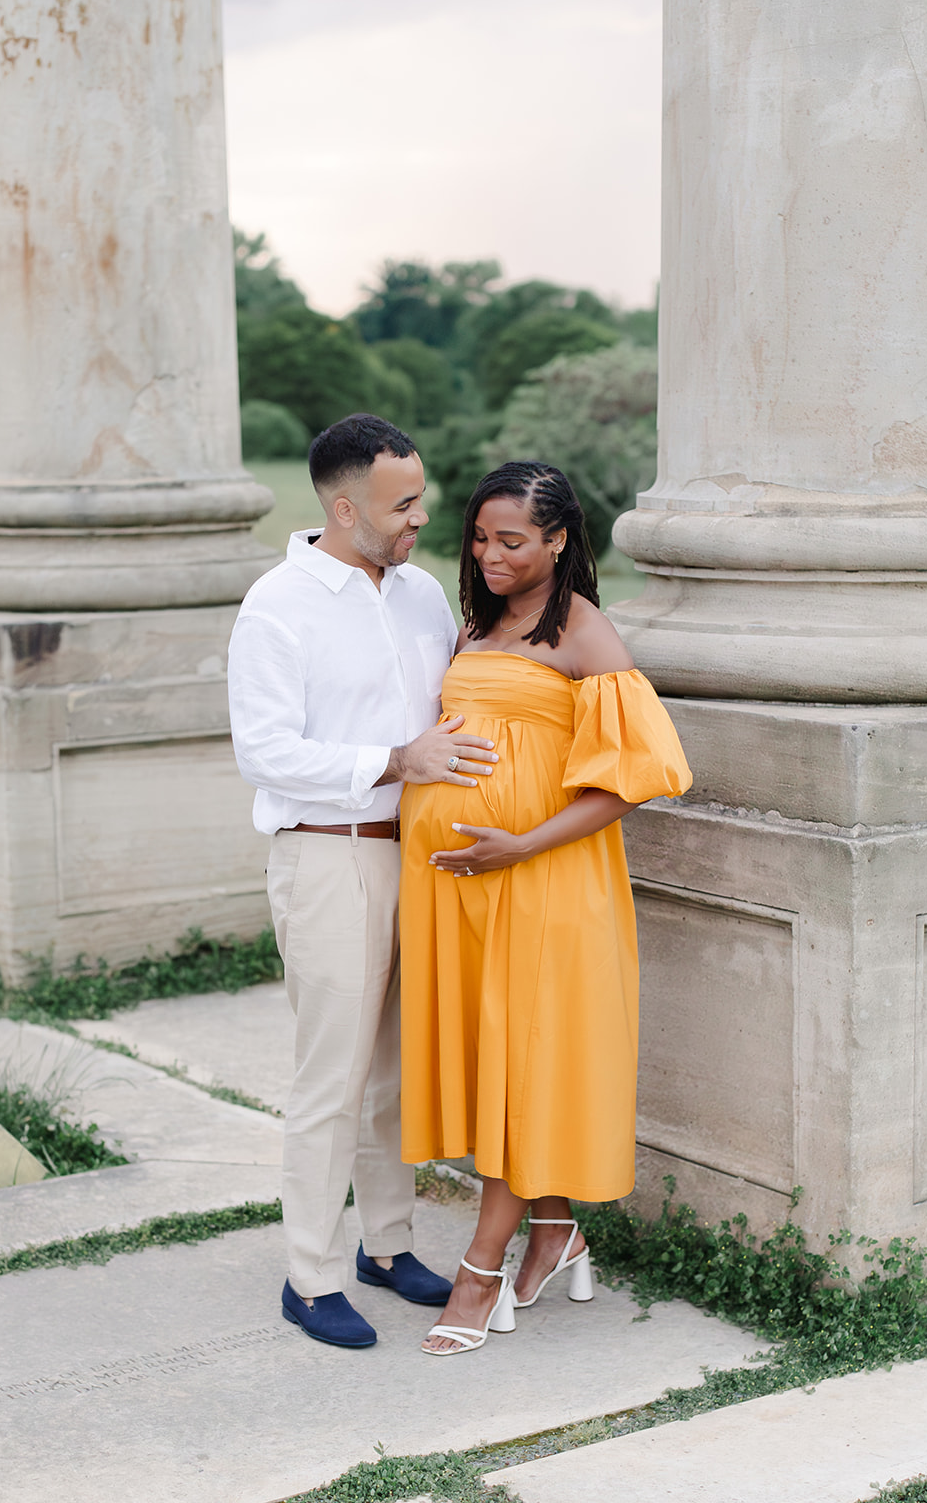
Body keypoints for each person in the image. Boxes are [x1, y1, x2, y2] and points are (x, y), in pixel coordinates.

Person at [399, 460, 692, 1355]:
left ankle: (481, 1270)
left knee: (521, 1068)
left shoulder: (584, 632)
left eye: (512, 541)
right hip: (460, 891)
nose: (489, 554)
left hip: (544, 881)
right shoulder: (476, 624)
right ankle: (555, 1232)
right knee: (502, 1065)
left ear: (558, 539)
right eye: (480, 538)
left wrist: (519, 843)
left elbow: (637, 779)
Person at [227, 413, 501, 1350]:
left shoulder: (422, 595)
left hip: (420, 856)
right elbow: (264, 753)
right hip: (328, 854)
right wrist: (396, 761)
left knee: (393, 1073)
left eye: (421, 498)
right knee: (331, 1078)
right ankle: (310, 1275)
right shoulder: (276, 606)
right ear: (346, 509)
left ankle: (387, 1247)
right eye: (404, 504)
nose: (422, 518)